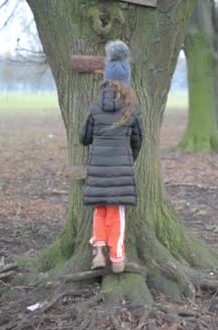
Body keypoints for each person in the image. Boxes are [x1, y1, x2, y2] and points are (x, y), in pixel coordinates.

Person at [80, 40, 143, 273]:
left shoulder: (96, 105)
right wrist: (130, 158)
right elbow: (138, 139)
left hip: (98, 170)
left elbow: (84, 137)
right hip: (120, 171)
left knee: (100, 210)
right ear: (127, 79)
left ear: (106, 77)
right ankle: (117, 259)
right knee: (117, 214)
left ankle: (98, 253)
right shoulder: (131, 107)